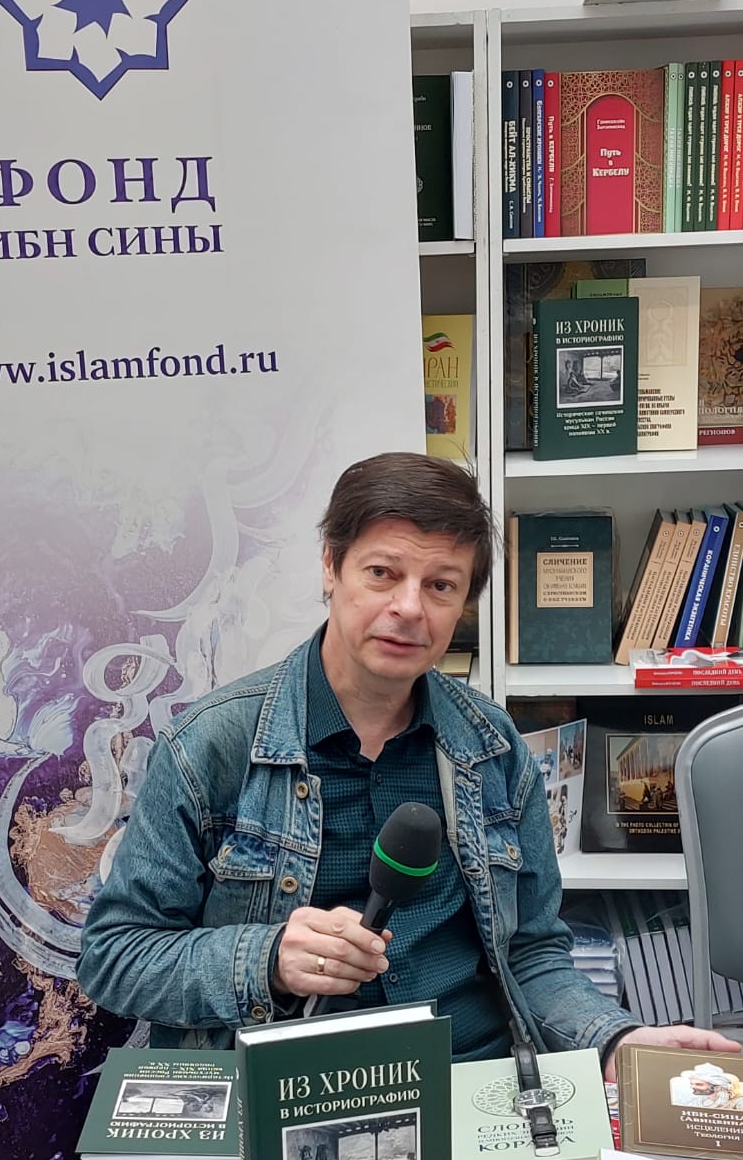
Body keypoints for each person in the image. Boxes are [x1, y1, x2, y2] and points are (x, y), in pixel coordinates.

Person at [78, 453, 740, 1082]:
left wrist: (615, 1040)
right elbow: (114, 958)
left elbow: (531, 953)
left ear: (464, 603)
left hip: (469, 1079)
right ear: (330, 567)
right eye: (381, 574)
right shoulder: (209, 745)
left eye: (441, 586)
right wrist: (267, 958)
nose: (409, 608)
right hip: (288, 1087)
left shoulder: (493, 746)